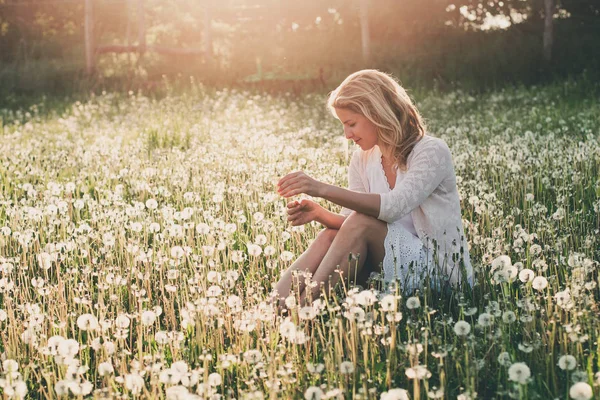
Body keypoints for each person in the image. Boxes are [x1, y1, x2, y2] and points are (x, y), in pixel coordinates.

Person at [272, 69, 473, 310]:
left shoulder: (430, 152)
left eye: (351, 124)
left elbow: (392, 208)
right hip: (390, 260)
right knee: (329, 235)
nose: (347, 135)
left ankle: (303, 313)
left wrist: (320, 188)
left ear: (377, 113)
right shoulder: (363, 159)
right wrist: (320, 214)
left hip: (438, 275)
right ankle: (274, 308)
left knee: (359, 223)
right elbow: (349, 230)